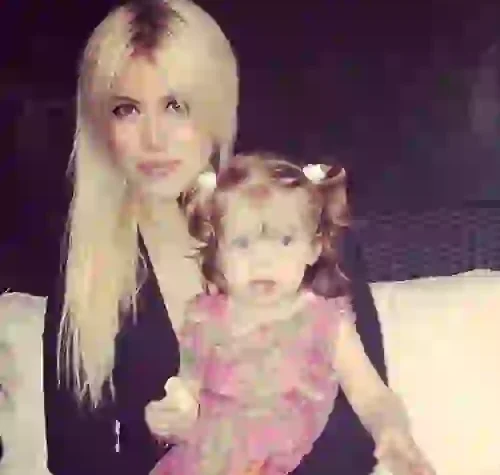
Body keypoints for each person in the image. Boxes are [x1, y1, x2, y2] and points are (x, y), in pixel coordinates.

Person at [147, 153, 434, 475]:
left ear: (313, 248)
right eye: (243, 243)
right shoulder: (205, 318)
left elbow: (371, 395)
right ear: (219, 253)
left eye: (284, 241)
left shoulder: (325, 322)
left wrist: (392, 434)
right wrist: (169, 417)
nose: (263, 261)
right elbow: (186, 395)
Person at [43, 1, 238, 474]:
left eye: (175, 105)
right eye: (127, 109)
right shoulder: (88, 266)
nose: (154, 139)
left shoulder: (305, 229)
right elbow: (76, 461)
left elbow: (356, 438)